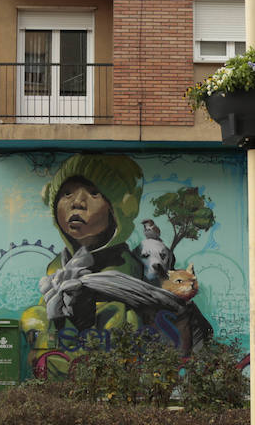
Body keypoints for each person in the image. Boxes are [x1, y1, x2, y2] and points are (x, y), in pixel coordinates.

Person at [21, 155, 200, 375]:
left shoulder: (123, 264)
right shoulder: (57, 266)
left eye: (94, 193)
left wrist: (83, 301)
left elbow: (122, 313)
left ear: (119, 209)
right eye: (66, 193)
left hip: (108, 366)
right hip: (62, 361)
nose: (77, 202)